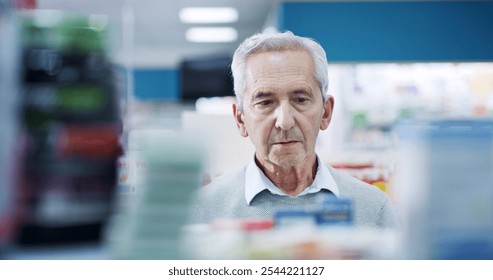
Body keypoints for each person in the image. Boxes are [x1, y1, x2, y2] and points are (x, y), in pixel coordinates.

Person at [190, 31, 399, 229]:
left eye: (300, 100)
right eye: (265, 102)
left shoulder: (373, 210)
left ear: (326, 113)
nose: (285, 121)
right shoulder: (202, 211)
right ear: (240, 120)